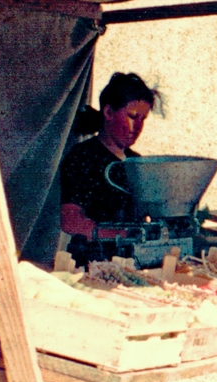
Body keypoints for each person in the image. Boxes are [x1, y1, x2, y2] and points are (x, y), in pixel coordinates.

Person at [60, 72, 160, 267]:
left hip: (134, 263)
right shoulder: (82, 157)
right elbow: (70, 220)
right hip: (91, 263)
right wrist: (121, 234)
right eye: (132, 116)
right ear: (108, 113)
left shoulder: (137, 162)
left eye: (143, 119)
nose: (138, 126)